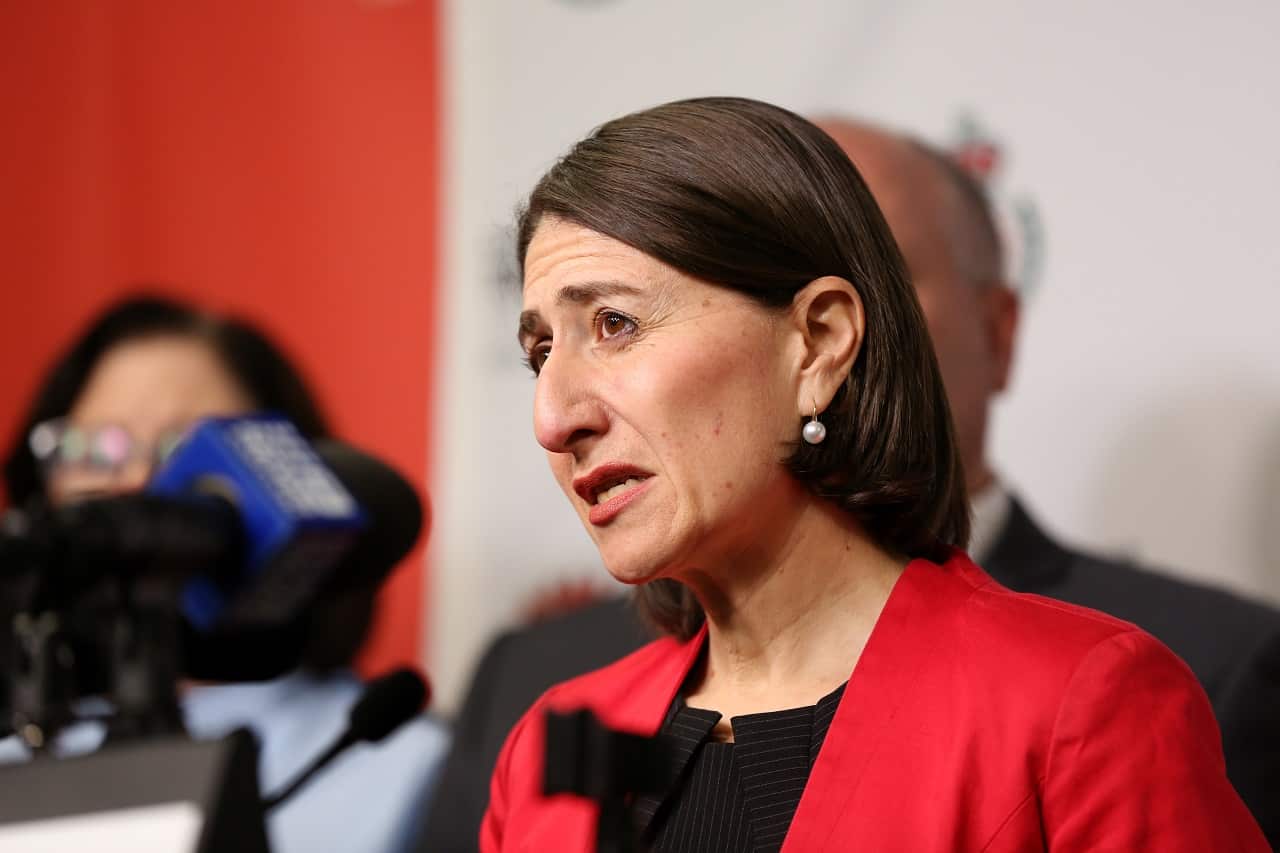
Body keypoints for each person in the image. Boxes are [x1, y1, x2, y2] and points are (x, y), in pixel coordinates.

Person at [417, 111, 1280, 850]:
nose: (553, 416)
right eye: (539, 352)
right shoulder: (547, 747)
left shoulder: (1079, 705)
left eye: (615, 323)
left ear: (820, 342)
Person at [0, 294, 449, 853]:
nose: (138, 484)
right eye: (95, 449)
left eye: (186, 451)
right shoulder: (16, 748)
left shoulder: (401, 764)